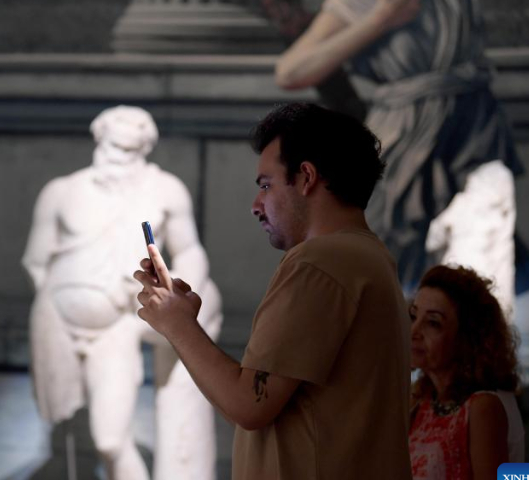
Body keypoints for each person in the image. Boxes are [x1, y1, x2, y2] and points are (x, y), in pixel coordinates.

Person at [134, 103, 412, 479]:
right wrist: (181, 319)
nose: (255, 206)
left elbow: (249, 405)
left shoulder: (319, 262)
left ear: (307, 177)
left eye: (266, 186)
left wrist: (178, 325)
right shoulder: (367, 255)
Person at [22, 105, 222, 480]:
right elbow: (36, 261)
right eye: (113, 146)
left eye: (129, 151)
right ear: (99, 140)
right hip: (58, 324)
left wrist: (181, 295)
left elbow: (190, 249)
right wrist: (63, 307)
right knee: (64, 422)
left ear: (144, 149)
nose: (118, 158)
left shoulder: (165, 190)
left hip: (117, 327)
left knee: (110, 440)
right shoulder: (62, 192)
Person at [274, 0, 523, 298]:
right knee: (384, 264)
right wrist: (382, 19)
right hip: (402, 138)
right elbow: (289, 72)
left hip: (473, 135)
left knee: (480, 263)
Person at [409, 264, 523, 479]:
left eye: (433, 323)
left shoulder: (485, 406)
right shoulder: (422, 398)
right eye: (414, 316)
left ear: (467, 339)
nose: (414, 330)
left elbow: (518, 474)